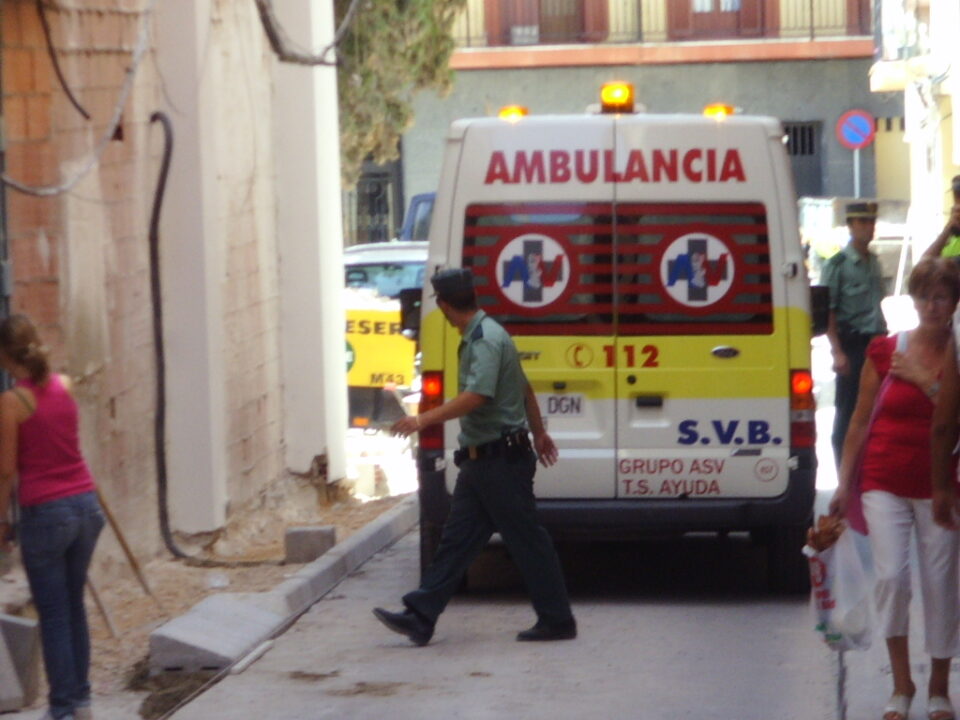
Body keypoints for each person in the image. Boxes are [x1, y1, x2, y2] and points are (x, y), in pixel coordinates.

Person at [373, 268, 576, 646]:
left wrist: (422, 419)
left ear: (445, 305)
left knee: (527, 541)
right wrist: (540, 431)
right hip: (484, 460)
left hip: (500, 461)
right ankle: (421, 615)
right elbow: (524, 386)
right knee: (457, 540)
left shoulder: (484, 340)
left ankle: (558, 619)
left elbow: (477, 396)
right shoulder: (489, 332)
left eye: (438, 302)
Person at [830, 258, 960, 720]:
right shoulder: (886, 351)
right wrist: (845, 484)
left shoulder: (958, 355)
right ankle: (902, 683)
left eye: (940, 296)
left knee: (941, 583)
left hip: (940, 485)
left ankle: (940, 687)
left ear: (954, 304)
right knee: (891, 578)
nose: (930, 304)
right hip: (883, 479)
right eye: (923, 294)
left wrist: (926, 381)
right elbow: (859, 422)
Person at [0, 314, 105, 720]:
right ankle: (82, 701)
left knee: (55, 613)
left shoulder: (11, 402)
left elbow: (7, 470)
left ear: (6, 356)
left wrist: (2, 523)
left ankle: (61, 708)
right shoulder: (65, 385)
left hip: (46, 512)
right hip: (85, 505)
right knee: (74, 605)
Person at [821, 201, 888, 465]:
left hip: (876, 344)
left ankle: (865, 471)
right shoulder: (837, 264)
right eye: (862, 222)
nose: (868, 227)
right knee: (848, 412)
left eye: (871, 222)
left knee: (875, 410)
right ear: (850, 225)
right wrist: (837, 351)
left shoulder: (874, 262)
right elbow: (828, 310)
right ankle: (843, 476)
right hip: (852, 345)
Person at [922, 175, 960, 264]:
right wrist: (947, 230)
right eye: (956, 199)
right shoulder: (950, 239)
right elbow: (922, 269)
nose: (957, 207)